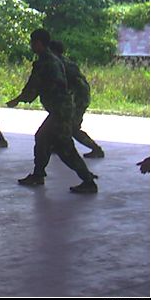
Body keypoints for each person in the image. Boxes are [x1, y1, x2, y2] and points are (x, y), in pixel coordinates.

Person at [7, 29, 98, 194]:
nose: (31, 45)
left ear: (39, 43)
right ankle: (38, 175)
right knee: (42, 137)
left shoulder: (45, 62)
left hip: (60, 111)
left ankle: (88, 181)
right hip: (61, 109)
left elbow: (32, 88)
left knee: (65, 149)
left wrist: (18, 100)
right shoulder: (53, 59)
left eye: (33, 42)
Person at [49, 40, 105, 159]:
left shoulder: (59, 64)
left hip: (78, 98)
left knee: (72, 127)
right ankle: (57, 145)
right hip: (77, 97)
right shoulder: (64, 63)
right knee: (59, 122)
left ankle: (96, 149)